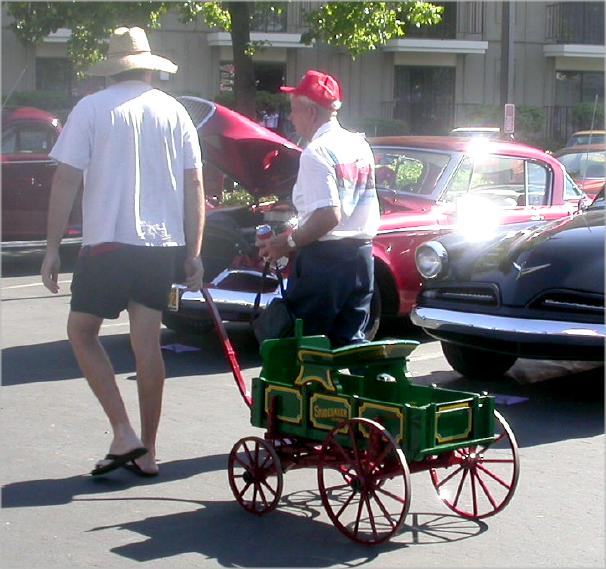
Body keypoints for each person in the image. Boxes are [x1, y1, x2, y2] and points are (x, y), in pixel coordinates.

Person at [40, 27, 205, 477]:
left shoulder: (92, 108)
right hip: (160, 245)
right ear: (150, 66)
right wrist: (194, 251)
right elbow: (195, 185)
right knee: (146, 343)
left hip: (109, 241)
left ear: (112, 68)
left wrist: (52, 248)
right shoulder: (175, 112)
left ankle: (122, 431)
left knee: (81, 332)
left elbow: (66, 179)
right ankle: (147, 452)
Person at [258, 70, 380, 347]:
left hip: (325, 262)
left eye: (293, 110)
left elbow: (329, 215)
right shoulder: (358, 144)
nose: (290, 117)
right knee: (349, 343)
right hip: (362, 257)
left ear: (311, 113)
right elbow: (348, 207)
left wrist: (286, 242)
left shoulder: (317, 152)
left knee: (303, 346)